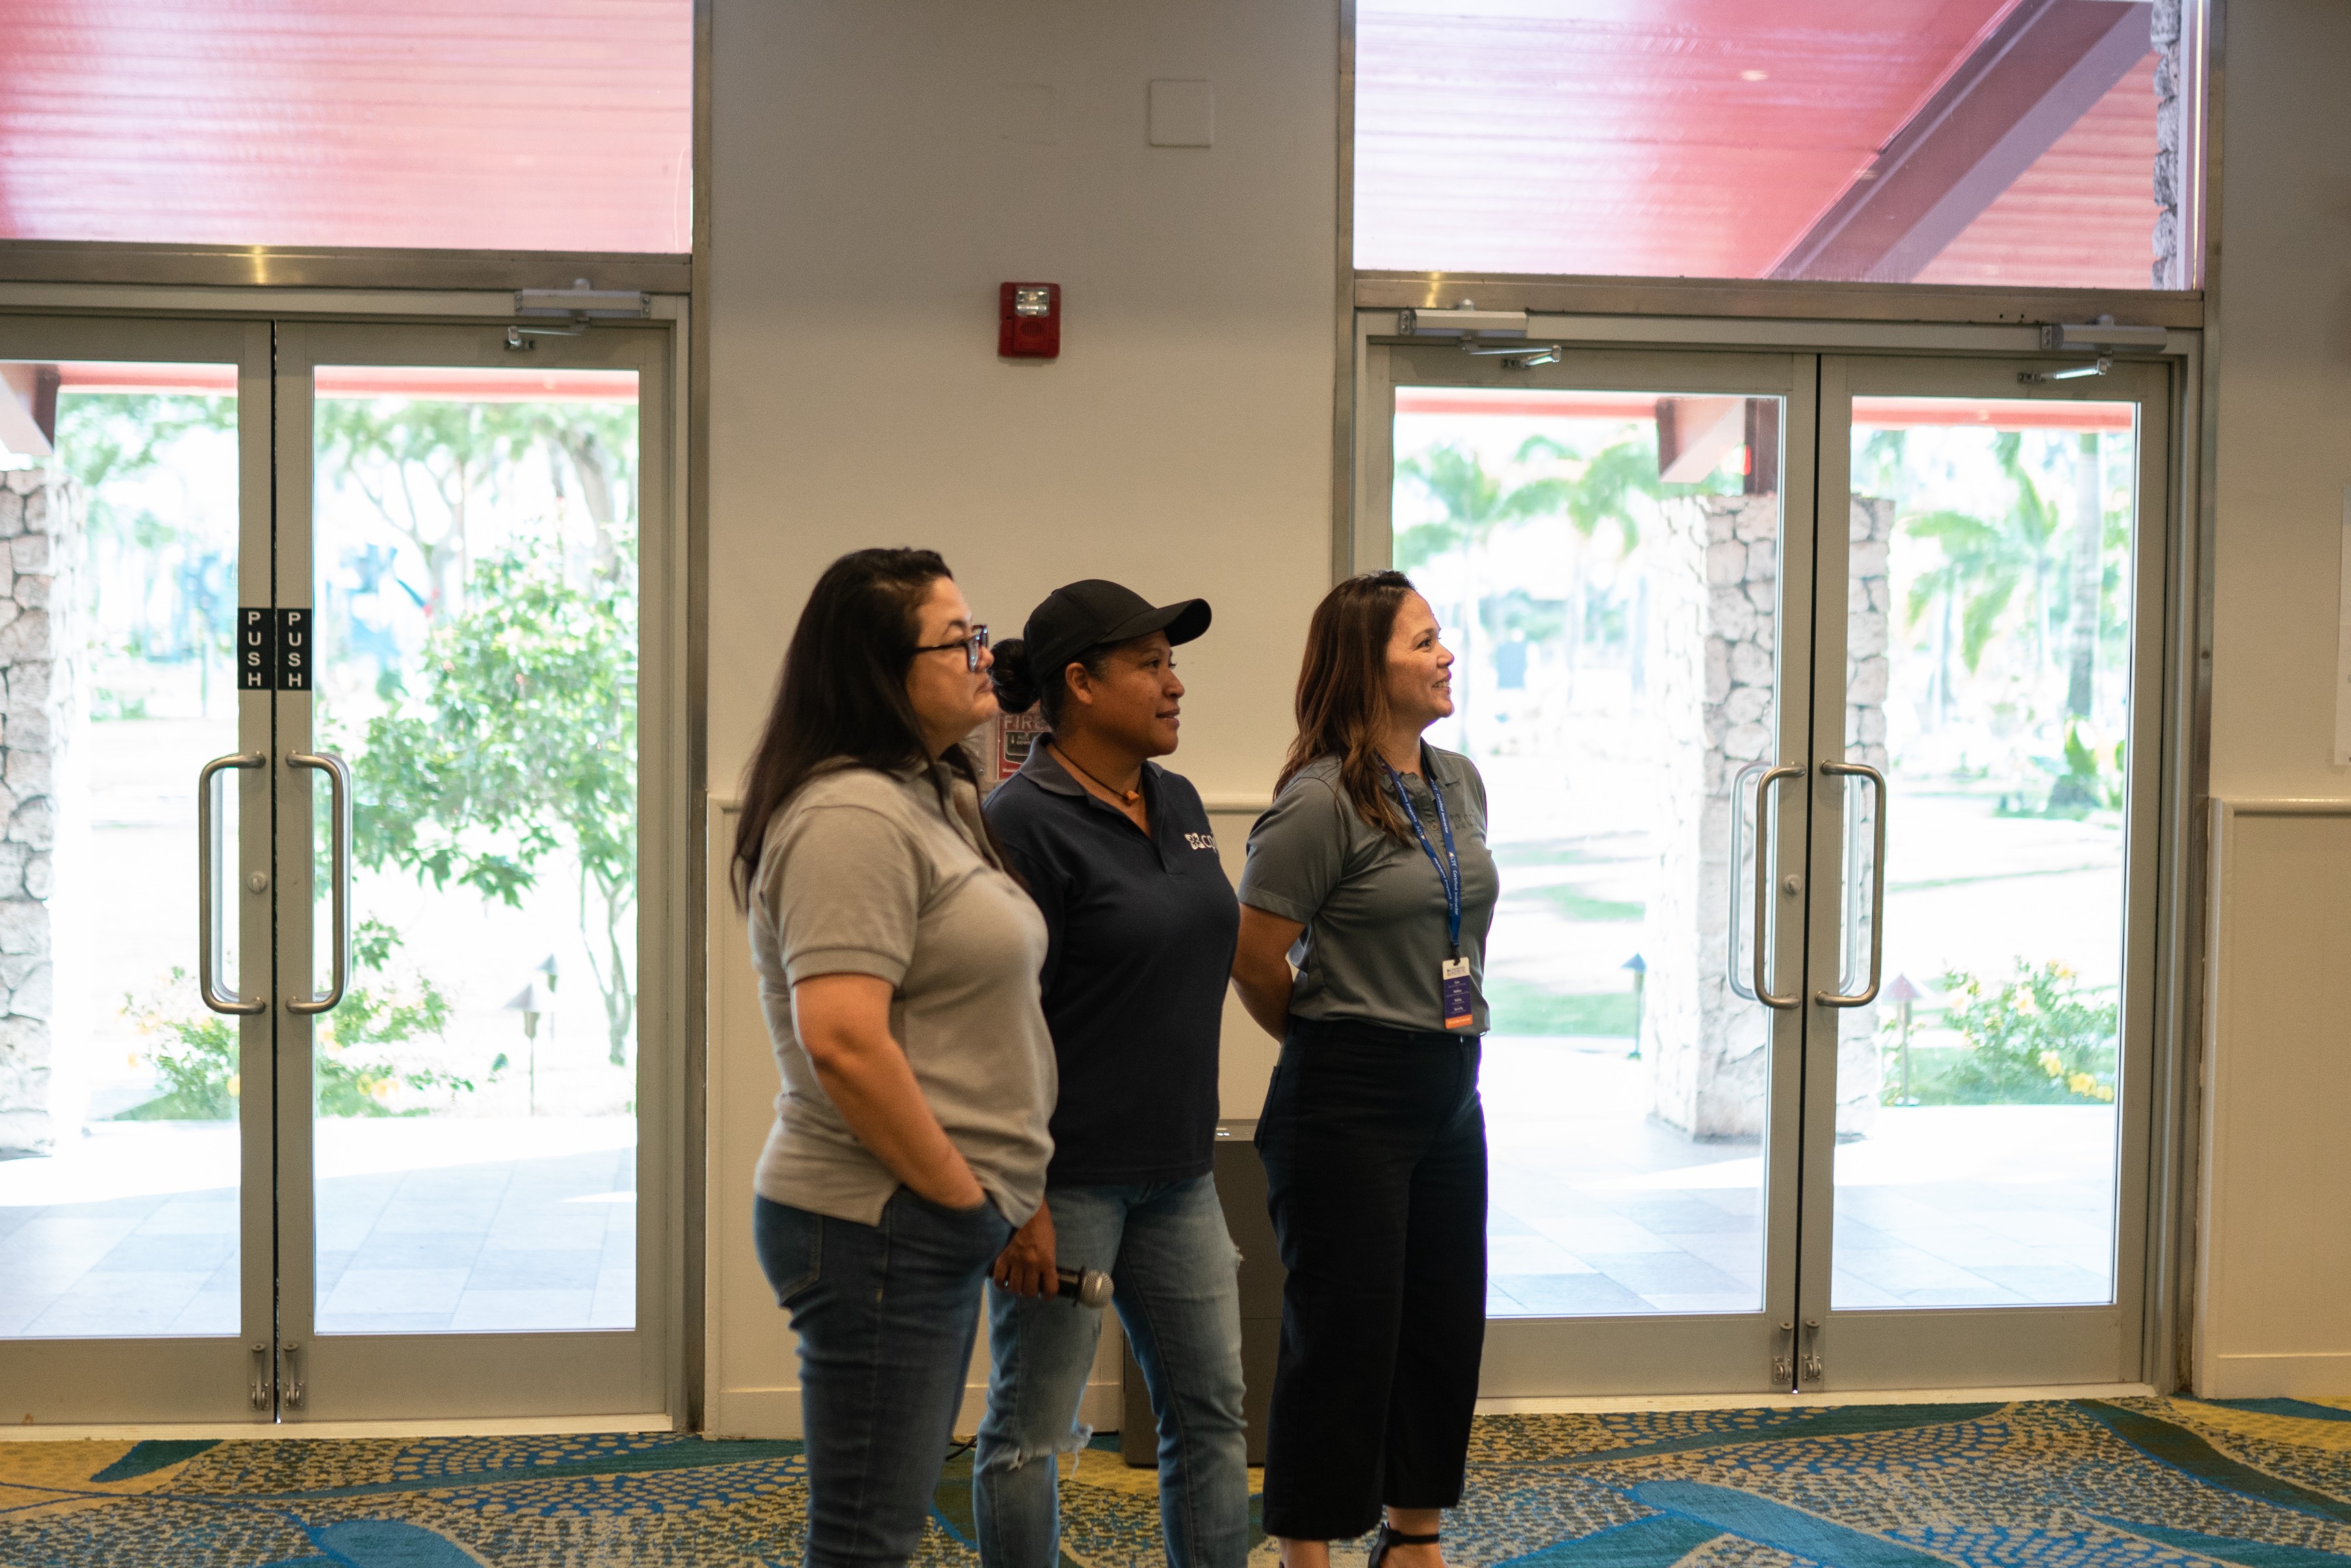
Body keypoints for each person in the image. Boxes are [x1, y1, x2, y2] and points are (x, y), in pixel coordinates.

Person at [731, 546, 1056, 1568]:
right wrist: (961, 1205)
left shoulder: (928, 793)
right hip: (879, 1217)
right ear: (879, 668)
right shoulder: (847, 817)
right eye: (957, 638)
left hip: (916, 1215)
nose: (985, 653)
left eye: (978, 628)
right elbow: (843, 1038)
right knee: (867, 1539)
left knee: (882, 1524)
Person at [974, 579, 1251, 1568]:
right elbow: (993, 1025)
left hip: (1178, 1176)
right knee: (1029, 1437)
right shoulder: (1018, 822)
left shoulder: (1173, 799)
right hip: (1067, 1182)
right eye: (1151, 664)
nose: (1175, 684)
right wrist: (1023, 1199)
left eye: (1173, 663)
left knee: (1211, 1415)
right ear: (1081, 684)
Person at [1228, 571, 1498, 1568]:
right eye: (1422, 640)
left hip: (1448, 1087)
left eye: (1441, 637)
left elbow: (1450, 912)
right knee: (1343, 1342)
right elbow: (1257, 961)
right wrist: (1329, 1040)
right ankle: (1309, 1548)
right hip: (1345, 1095)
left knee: (1439, 1320)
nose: (1444, 654)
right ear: (1365, 667)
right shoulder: (1315, 803)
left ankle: (1413, 1535)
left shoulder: (1458, 780)